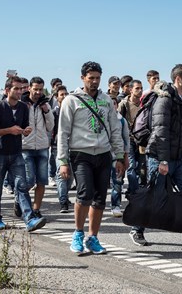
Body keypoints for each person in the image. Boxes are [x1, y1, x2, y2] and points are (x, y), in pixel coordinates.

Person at [129, 64, 182, 250]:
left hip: (179, 157)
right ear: (178, 79)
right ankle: (137, 229)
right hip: (160, 157)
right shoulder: (164, 99)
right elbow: (161, 132)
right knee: (154, 196)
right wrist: (163, 160)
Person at [58, 62, 125, 254]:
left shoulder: (105, 100)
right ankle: (78, 234)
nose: (95, 81)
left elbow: (114, 128)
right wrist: (62, 161)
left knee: (99, 199)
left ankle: (93, 237)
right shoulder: (71, 100)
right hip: (81, 154)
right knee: (84, 194)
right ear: (83, 78)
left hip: (103, 154)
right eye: (91, 78)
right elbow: (63, 132)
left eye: (97, 78)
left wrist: (119, 155)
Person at [0, 76, 46, 232]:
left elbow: (25, 126)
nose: (20, 92)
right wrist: (8, 130)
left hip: (16, 153)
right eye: (16, 89)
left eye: (21, 89)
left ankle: (30, 219)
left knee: (22, 186)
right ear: (7, 91)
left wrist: (26, 131)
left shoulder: (23, 108)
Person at [21, 76, 55, 220]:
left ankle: (36, 209)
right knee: (28, 180)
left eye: (40, 90)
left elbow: (51, 126)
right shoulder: (22, 104)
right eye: (35, 89)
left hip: (42, 146)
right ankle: (20, 201)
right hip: (26, 146)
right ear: (29, 88)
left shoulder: (45, 105)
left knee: (41, 180)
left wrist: (46, 111)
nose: (38, 92)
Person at [51, 86, 72, 212]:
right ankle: (63, 201)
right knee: (62, 174)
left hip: (72, 145)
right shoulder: (54, 113)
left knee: (72, 175)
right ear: (56, 97)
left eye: (66, 94)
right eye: (61, 94)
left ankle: (65, 194)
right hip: (57, 146)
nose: (64, 96)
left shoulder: (71, 110)